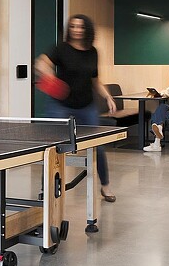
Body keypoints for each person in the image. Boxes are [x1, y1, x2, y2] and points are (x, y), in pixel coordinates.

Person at [34, 14, 119, 202]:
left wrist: (107, 96)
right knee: (54, 148)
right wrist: (51, 78)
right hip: (60, 106)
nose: (76, 30)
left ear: (86, 29)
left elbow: (95, 81)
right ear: (69, 29)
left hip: (86, 105)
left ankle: (105, 187)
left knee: (98, 146)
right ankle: (46, 188)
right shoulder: (61, 49)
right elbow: (41, 63)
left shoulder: (92, 52)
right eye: (73, 26)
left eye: (80, 27)